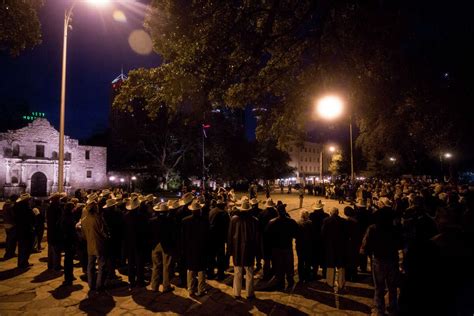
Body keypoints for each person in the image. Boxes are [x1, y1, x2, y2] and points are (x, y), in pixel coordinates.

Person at [360, 206, 401, 316]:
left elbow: (365, 245)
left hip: (379, 259)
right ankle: (392, 308)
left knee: (379, 287)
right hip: (392, 259)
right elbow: (401, 243)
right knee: (392, 287)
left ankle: (379, 309)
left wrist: (367, 251)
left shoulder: (373, 228)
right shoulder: (395, 228)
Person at [228, 200, 261, 299]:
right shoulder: (254, 220)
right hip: (249, 250)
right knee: (249, 272)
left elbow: (230, 236)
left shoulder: (234, 220)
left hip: (237, 250)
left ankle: (237, 293)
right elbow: (257, 238)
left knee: (237, 272)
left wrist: (230, 250)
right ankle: (249, 293)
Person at [266, 203, 298, 290]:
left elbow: (268, 237)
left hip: (276, 248)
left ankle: (280, 284)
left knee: (278, 267)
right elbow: (296, 234)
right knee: (288, 266)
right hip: (287, 247)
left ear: (278, 212)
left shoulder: (272, 222)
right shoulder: (291, 222)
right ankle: (290, 282)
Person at [181, 200, 210, 297]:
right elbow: (207, 236)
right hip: (202, 248)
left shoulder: (185, 221)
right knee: (201, 270)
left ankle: (190, 289)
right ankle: (201, 289)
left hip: (190, 249)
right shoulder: (205, 220)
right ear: (200, 210)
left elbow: (183, 237)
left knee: (190, 270)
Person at [81, 200, 108, 294]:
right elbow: (103, 231)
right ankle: (99, 285)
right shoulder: (98, 218)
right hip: (99, 244)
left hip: (89, 244)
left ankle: (91, 284)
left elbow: (83, 234)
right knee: (101, 265)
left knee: (90, 265)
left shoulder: (84, 220)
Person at [123, 196, 148, 288]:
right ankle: (140, 281)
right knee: (139, 263)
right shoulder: (142, 217)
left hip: (129, 243)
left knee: (131, 262)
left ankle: (131, 280)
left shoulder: (125, 216)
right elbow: (145, 231)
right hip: (139, 242)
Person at [321, 207, 347, 292]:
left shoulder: (326, 221)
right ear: (338, 213)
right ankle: (341, 283)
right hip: (341, 246)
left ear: (331, 213)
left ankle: (330, 283)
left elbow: (323, 234)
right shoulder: (343, 221)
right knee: (341, 266)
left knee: (330, 265)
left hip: (330, 246)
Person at [207, 196, 230, 280]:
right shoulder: (224, 213)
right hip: (219, 238)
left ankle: (210, 273)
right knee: (220, 256)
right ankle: (220, 274)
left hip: (210, 237)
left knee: (211, 256)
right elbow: (228, 227)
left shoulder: (211, 211)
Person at [258, 198, 278, 280]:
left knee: (266, 259)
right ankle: (274, 273)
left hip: (265, 238)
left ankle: (266, 274)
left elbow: (259, 227)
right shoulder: (276, 213)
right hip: (274, 238)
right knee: (274, 257)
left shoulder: (262, 214)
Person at [14, 193, 35, 269]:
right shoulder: (26, 207)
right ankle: (23, 263)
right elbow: (31, 217)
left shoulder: (17, 206)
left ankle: (22, 263)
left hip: (19, 229)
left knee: (21, 247)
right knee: (26, 247)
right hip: (26, 230)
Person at [309, 201, 328, 279]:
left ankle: (314, 272)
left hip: (314, 239)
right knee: (324, 256)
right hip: (323, 239)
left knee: (315, 256)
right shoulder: (326, 215)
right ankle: (324, 273)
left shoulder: (311, 215)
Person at [60, 202, 77, 285]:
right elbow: (71, 230)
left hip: (66, 240)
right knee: (69, 260)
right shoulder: (69, 217)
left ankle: (69, 276)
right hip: (69, 241)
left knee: (68, 259)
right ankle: (68, 277)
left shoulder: (65, 216)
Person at [46, 192, 65, 271]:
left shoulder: (49, 207)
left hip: (50, 231)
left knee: (51, 249)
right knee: (57, 250)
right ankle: (56, 266)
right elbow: (59, 220)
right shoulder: (57, 208)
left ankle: (50, 265)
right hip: (56, 231)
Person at [296, 211, 313, 283]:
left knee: (300, 261)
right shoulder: (310, 223)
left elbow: (295, 234)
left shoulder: (297, 222)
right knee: (307, 262)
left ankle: (301, 277)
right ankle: (307, 277)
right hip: (308, 245)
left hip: (300, 244)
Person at [2, 195, 18, 260]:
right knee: (11, 240)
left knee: (9, 238)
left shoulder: (5, 205)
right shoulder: (11, 205)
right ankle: (9, 253)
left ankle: (10, 253)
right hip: (12, 224)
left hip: (6, 223)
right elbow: (13, 215)